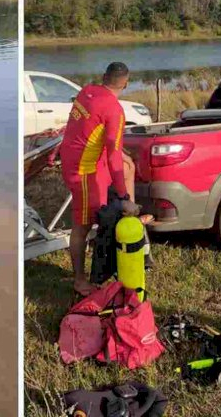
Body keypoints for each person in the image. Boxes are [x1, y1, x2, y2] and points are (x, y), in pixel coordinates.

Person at [59, 62, 143, 296]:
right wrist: (123, 195)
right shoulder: (114, 110)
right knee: (81, 228)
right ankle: (79, 280)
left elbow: (92, 134)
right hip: (83, 171)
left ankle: (133, 226)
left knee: (128, 166)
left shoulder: (87, 90)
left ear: (104, 77)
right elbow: (113, 156)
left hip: (76, 157)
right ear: (125, 83)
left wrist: (122, 158)